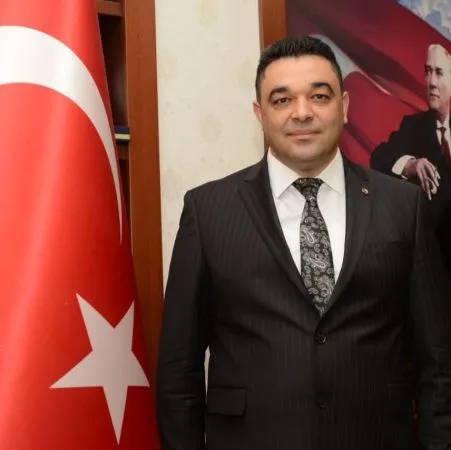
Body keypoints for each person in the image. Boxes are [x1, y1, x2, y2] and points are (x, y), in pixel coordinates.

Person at [156, 36, 451, 450]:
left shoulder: (403, 206)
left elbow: (439, 361)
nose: (302, 112)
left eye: (319, 96)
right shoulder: (208, 212)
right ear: (259, 114)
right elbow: (178, 373)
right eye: (282, 100)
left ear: (344, 106)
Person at [370, 43, 451, 271]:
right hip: (430, 266)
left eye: (439, 72)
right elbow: (379, 158)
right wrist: (411, 164)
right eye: (427, 71)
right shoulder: (413, 127)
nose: (431, 82)